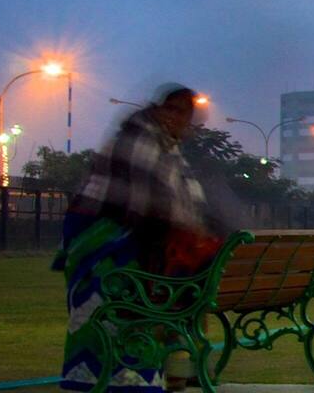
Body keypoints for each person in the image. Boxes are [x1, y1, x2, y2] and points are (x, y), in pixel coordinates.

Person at [54, 84, 216, 392]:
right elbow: (151, 199)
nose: (180, 120)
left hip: (126, 239)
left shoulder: (165, 146)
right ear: (161, 109)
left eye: (187, 114)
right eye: (175, 110)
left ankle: (142, 376)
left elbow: (179, 203)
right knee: (107, 310)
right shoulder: (142, 137)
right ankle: (117, 379)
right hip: (103, 238)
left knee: (127, 308)